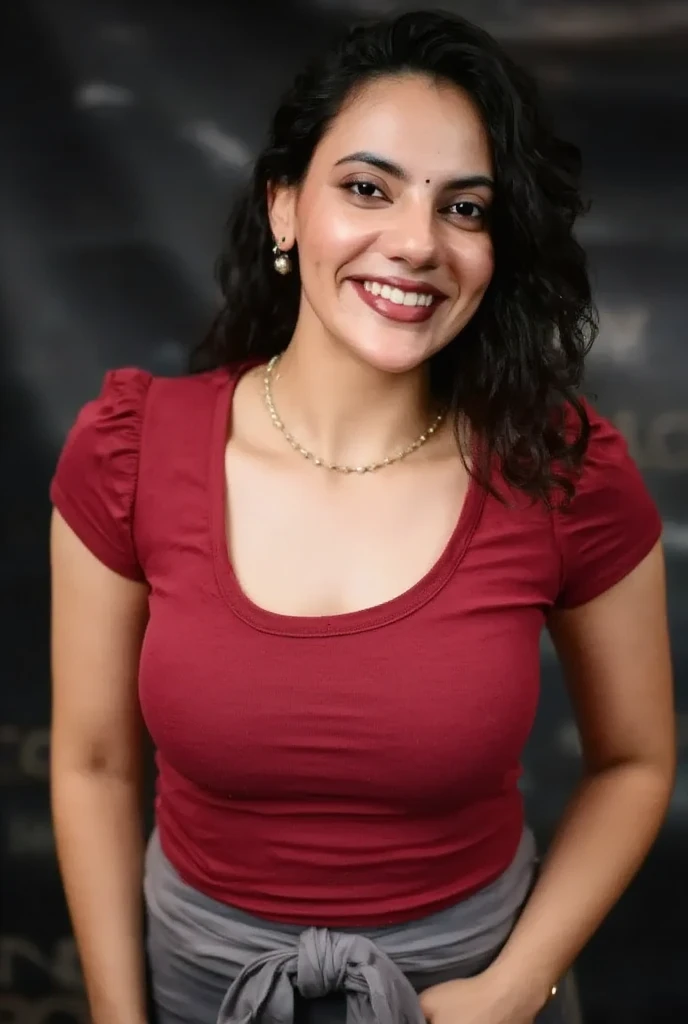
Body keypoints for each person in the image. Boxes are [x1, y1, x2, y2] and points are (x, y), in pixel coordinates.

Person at [49, 10, 675, 1024]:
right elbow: (91, 763)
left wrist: (512, 990)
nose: (417, 242)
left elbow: (637, 761)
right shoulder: (128, 449)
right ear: (284, 206)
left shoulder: (563, 467)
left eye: (465, 208)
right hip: (195, 993)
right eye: (367, 188)